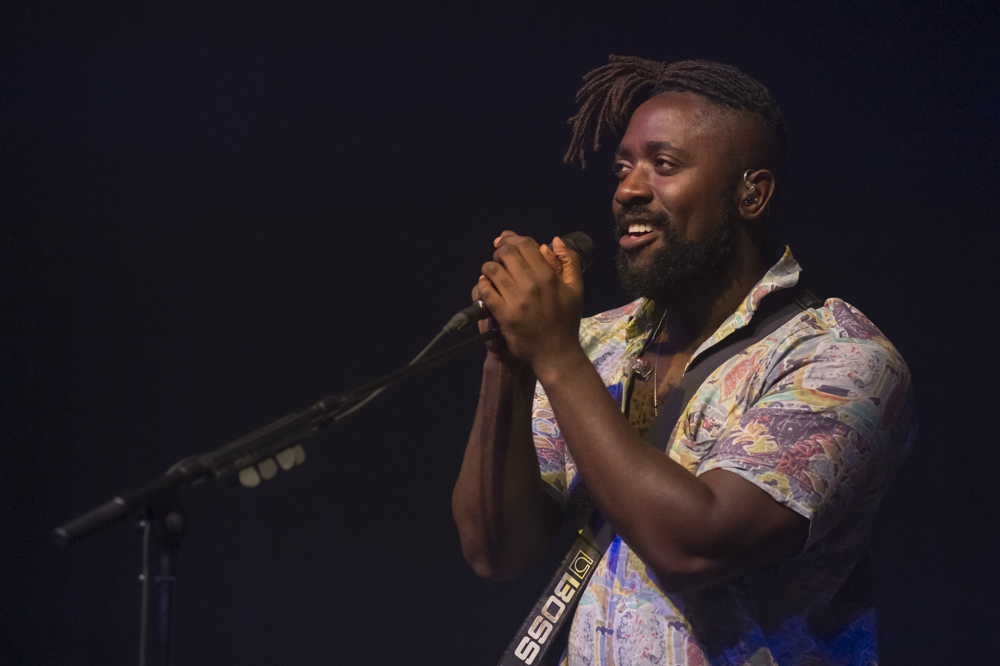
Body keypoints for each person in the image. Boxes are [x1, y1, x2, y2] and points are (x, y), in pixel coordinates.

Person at [451, 56, 916, 666]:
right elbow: (496, 549)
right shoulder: (598, 342)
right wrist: (508, 361)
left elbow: (696, 545)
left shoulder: (841, 359)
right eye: (622, 167)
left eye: (663, 166)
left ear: (752, 193)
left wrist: (554, 354)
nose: (627, 190)